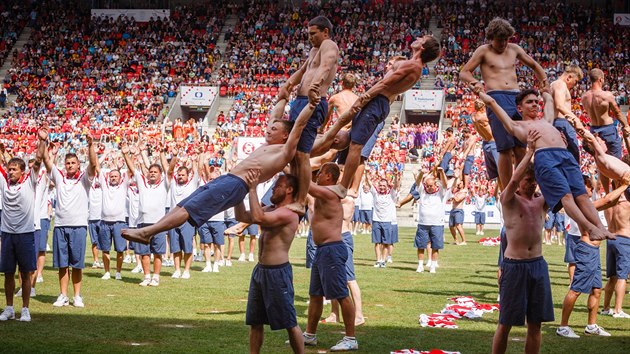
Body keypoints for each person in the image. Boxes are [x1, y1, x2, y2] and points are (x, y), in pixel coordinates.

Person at [121, 91, 320, 244]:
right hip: (228, 178)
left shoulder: (284, 151)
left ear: (285, 135)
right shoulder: (268, 146)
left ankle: (148, 232)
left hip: (237, 184)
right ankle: (152, 229)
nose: (269, 130)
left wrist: (311, 105)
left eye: (274, 129)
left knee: (189, 209)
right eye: (269, 128)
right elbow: (275, 116)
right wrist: (284, 96)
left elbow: (298, 126)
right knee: (182, 205)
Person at [477, 88, 613, 241]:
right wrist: (478, 91)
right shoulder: (517, 125)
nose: (535, 104)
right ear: (519, 108)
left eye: (536, 102)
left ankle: (600, 227)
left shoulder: (546, 120)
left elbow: (548, 100)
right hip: (545, 157)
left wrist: (545, 88)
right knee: (566, 196)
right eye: (530, 102)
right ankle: (589, 228)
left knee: (582, 195)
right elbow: (492, 102)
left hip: (565, 154)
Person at [320, 36, 440, 196]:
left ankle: (343, 187)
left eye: (422, 38)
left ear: (423, 47)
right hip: (379, 103)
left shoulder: (413, 65)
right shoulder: (415, 67)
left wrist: (362, 99)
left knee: (356, 146)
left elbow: (384, 84)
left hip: (377, 101)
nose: (418, 38)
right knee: (347, 140)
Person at [460, 17, 548, 187]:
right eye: (499, 39)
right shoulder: (483, 51)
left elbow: (535, 65)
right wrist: (476, 85)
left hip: (516, 97)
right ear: (491, 37)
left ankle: (525, 186)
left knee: (521, 147)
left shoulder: (514, 49)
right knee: (505, 148)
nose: (503, 43)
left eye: (506, 39)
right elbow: (464, 73)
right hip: (496, 97)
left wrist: (544, 81)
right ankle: (508, 191)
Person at [492, 130, 554, 354]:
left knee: (536, 323)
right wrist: (529, 153)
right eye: (529, 180)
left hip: (537, 263)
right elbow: (514, 178)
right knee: (505, 322)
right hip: (515, 265)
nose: (532, 185)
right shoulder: (508, 199)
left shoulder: (541, 202)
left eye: (534, 181)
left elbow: (556, 184)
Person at [234, 171, 304, 354]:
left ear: (289, 189)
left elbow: (259, 219)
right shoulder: (271, 208)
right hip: (260, 270)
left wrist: (252, 188)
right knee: (255, 322)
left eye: (278, 185)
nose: (273, 188)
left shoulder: (289, 213)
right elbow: (242, 216)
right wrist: (238, 193)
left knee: (289, 322)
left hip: (277, 272)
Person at [556, 171, 630, 338]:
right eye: (588, 185)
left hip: (594, 250)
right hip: (586, 249)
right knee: (575, 290)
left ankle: (591, 325)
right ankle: (563, 326)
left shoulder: (586, 203)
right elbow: (607, 200)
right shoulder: (578, 204)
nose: (591, 187)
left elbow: (611, 201)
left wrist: (619, 185)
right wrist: (625, 185)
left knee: (596, 290)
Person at [277, 16, 339, 213]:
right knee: (294, 154)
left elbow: (326, 66)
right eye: (309, 34)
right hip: (300, 102)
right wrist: (288, 84)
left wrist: (315, 85)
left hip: (313, 101)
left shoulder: (329, 45)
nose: (310, 37)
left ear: (325, 32)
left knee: (303, 154)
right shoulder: (314, 50)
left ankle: (302, 200)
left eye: (313, 34)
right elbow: (303, 71)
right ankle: (295, 195)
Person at [301, 162, 358, 351]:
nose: (318, 175)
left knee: (341, 294)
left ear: (329, 176)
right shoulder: (323, 193)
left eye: (321, 173)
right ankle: (310, 335)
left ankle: (350, 338)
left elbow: (305, 183)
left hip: (332, 249)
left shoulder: (330, 192)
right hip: (322, 250)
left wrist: (294, 158)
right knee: (316, 295)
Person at [42, 128, 98, 308]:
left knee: (77, 264)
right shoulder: (59, 177)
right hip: (60, 225)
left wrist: (90, 144)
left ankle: (77, 296)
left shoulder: (84, 179)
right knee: (62, 264)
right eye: (68, 163)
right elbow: (46, 162)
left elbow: (93, 164)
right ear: (64, 165)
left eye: (73, 162)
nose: (70, 165)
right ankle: (63, 295)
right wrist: (43, 142)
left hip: (79, 226)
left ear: (78, 165)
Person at [0, 130, 45, 322]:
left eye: (14, 170)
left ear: (22, 171)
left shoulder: (30, 181)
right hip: (7, 233)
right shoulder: (4, 182)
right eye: (9, 169)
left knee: (25, 273)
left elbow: (39, 159)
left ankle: (25, 309)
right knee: (8, 273)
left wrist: (42, 141)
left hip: (26, 233)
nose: (10, 172)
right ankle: (9, 308)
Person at [120, 142, 169, 287]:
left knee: (158, 252)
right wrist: (125, 154)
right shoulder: (142, 181)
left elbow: (168, 169)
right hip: (142, 223)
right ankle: (147, 276)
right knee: (144, 253)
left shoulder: (164, 183)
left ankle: (156, 277)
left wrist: (161, 153)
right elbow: (132, 169)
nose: (152, 174)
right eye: (151, 172)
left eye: (155, 172)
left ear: (160, 174)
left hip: (159, 224)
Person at [582, 68, 630, 192]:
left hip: (594, 130)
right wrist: (626, 125)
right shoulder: (606, 95)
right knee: (616, 162)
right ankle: (618, 194)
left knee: (601, 163)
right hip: (608, 129)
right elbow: (618, 113)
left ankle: (608, 193)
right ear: (600, 79)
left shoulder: (584, 96)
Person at [322, 194, 365, 326]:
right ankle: (335, 314)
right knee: (332, 278)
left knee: (349, 279)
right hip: (329, 239)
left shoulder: (348, 199)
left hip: (342, 238)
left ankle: (359, 315)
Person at [398, 167, 447, 273]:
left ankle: (433, 265)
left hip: (437, 224)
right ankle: (420, 265)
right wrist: (421, 173)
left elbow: (445, 184)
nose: (429, 188)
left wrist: (442, 172)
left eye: (431, 186)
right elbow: (417, 182)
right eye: (427, 186)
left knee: (435, 246)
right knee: (420, 246)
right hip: (423, 223)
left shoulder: (440, 192)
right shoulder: (422, 191)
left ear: (435, 185)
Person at [601, 155, 630, 319]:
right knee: (622, 276)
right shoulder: (626, 201)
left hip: (611, 239)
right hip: (624, 239)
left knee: (611, 277)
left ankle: (606, 308)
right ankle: (618, 309)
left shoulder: (609, 200)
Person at [165, 151, 200, 279]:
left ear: (187, 175)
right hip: (173, 219)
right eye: (179, 174)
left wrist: (196, 159)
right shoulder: (173, 183)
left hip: (187, 219)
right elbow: (169, 172)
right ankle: (177, 270)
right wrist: (174, 157)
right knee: (175, 246)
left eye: (182, 175)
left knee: (188, 246)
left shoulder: (192, 183)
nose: (180, 176)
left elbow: (198, 171)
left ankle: (186, 270)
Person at [98, 168, 130, 280]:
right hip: (105, 222)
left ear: (120, 178)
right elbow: (97, 167)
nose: (113, 178)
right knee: (105, 249)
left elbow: (130, 171)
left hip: (119, 222)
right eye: (111, 176)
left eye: (116, 176)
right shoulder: (105, 186)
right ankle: (107, 272)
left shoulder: (123, 186)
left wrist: (128, 154)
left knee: (120, 250)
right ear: (108, 177)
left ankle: (118, 272)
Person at [550, 65, 583, 164]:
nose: (575, 85)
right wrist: (576, 119)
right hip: (562, 123)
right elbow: (559, 105)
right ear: (569, 77)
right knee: (573, 159)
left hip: (556, 123)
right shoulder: (560, 84)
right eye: (575, 81)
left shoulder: (553, 84)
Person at [471, 100, 500, 186]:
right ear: (483, 107)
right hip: (493, 143)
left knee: (497, 174)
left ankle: (503, 193)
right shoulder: (484, 116)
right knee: (502, 171)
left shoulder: (473, 116)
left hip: (485, 143)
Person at [448, 171, 468, 245]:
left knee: (458, 225)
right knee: (451, 226)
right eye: (458, 184)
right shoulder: (457, 191)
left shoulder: (464, 192)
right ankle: (456, 240)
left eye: (460, 183)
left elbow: (457, 199)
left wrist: (452, 196)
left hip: (458, 210)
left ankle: (464, 241)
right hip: (453, 209)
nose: (458, 185)